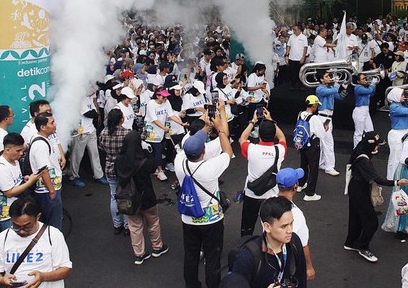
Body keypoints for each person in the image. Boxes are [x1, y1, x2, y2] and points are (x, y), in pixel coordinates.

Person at [174, 105, 233, 288]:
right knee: (212, 258)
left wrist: (205, 126)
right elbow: (228, 153)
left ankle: (192, 285)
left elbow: (192, 142)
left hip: (189, 218)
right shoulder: (209, 168)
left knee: (190, 256)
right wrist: (220, 128)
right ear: (204, 151)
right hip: (211, 220)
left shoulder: (179, 161)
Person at [345, 132, 408, 263]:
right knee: (371, 222)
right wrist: (397, 182)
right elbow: (378, 179)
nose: (378, 148)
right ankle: (362, 247)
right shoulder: (365, 161)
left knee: (355, 216)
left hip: (355, 187)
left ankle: (350, 242)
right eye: (377, 145)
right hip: (359, 190)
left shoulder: (359, 149)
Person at [0, 197, 72, 287]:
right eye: (16, 226)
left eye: (27, 226)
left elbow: (66, 269)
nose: (21, 231)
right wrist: (2, 280)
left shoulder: (53, 235)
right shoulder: (3, 238)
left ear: (38, 217)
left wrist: (43, 277)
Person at [116, 130, 169, 265]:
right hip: (147, 197)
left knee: (135, 226)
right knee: (153, 223)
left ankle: (139, 254)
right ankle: (157, 247)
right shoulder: (144, 161)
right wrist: (147, 151)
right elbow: (152, 168)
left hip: (129, 199)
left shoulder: (120, 160)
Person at [230, 196, 307, 287]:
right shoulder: (248, 257)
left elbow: (301, 280)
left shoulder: (294, 242)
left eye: (291, 223)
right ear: (267, 227)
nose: (290, 230)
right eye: (283, 226)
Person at [238, 108, 287, 236]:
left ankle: (245, 246)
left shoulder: (251, 149)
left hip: (251, 194)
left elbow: (242, 139)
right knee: (270, 227)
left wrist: (253, 121)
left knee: (247, 227)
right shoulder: (279, 150)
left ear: (259, 135)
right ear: (273, 135)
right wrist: (271, 121)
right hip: (271, 195)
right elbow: (282, 137)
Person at [0, 133, 43, 233]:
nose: (21, 154)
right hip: (7, 216)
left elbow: (15, 182)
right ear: (7, 150)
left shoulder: (15, 162)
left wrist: (24, 179)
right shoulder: (1, 169)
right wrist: (29, 182)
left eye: (22, 150)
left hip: (18, 211)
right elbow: (9, 192)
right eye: (18, 151)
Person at [277, 168, 316, 281]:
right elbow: (303, 245)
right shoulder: (296, 214)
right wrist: (309, 267)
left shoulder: (268, 202)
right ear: (295, 187)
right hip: (287, 259)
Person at [29, 113, 64, 230]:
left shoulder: (44, 139)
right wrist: (52, 190)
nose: (55, 125)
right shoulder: (40, 144)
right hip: (47, 191)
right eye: (52, 123)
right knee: (53, 225)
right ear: (42, 127)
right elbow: (43, 170)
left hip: (50, 188)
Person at [98, 109, 131, 235]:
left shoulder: (104, 133)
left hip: (110, 167)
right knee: (126, 196)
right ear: (121, 119)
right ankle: (128, 225)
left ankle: (117, 225)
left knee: (113, 196)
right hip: (124, 169)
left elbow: (101, 147)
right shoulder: (126, 133)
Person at [145, 88, 187, 181]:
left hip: (161, 130)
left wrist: (181, 124)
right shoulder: (151, 104)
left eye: (166, 97)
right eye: (163, 97)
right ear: (157, 96)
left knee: (156, 150)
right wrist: (164, 128)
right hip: (152, 130)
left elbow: (171, 115)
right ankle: (160, 170)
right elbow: (154, 119)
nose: (165, 99)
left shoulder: (166, 103)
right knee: (158, 149)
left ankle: (155, 168)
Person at [69, 90, 107, 188]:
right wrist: (94, 113)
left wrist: (94, 113)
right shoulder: (79, 99)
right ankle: (74, 176)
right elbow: (88, 114)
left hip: (90, 130)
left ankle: (99, 175)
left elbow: (95, 113)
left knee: (95, 154)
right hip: (80, 132)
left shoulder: (88, 99)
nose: (93, 90)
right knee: (77, 156)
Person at [297, 95, 326, 201]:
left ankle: (301, 184)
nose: (317, 107)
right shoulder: (315, 118)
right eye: (317, 105)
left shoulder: (300, 114)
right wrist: (325, 128)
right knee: (313, 168)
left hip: (302, 142)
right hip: (312, 145)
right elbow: (321, 134)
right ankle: (310, 193)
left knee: (303, 164)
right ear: (314, 105)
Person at [315, 70, 343, 176]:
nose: (329, 77)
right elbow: (334, 91)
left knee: (323, 143)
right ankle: (329, 167)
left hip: (328, 118)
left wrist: (344, 86)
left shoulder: (329, 88)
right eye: (327, 76)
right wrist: (337, 84)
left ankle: (322, 163)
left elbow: (340, 97)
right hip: (323, 118)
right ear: (321, 79)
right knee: (328, 143)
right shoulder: (320, 89)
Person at [387, 87, 408, 180]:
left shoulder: (401, 105)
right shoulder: (394, 107)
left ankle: (398, 175)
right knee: (395, 157)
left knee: (402, 155)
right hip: (397, 133)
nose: (404, 96)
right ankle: (392, 177)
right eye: (402, 95)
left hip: (404, 132)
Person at [352, 73, 378, 148]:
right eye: (363, 79)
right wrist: (372, 83)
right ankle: (356, 149)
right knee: (359, 133)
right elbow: (369, 91)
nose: (365, 80)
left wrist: (374, 84)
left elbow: (372, 93)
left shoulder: (365, 87)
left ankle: (369, 147)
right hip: (359, 110)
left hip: (366, 110)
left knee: (370, 130)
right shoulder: (358, 87)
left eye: (365, 78)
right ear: (358, 81)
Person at [286, 24, 309, 90]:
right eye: (293, 30)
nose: (294, 31)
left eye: (295, 30)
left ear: (299, 30)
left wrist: (303, 57)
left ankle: (301, 85)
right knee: (292, 73)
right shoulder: (291, 37)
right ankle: (293, 85)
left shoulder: (303, 37)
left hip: (300, 58)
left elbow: (305, 48)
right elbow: (288, 46)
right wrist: (287, 55)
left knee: (300, 72)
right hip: (292, 57)